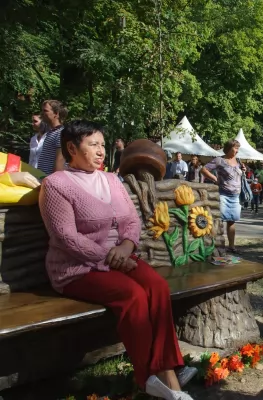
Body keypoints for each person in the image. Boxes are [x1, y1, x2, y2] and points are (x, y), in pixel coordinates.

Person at [38, 120, 196, 400]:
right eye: (93, 145)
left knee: (157, 287)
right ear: (72, 148)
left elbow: (131, 221)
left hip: (122, 258)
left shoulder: (111, 179)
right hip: (76, 268)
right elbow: (65, 237)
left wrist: (125, 248)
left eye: (102, 144)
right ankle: (149, 378)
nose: (101, 151)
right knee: (133, 295)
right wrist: (110, 257)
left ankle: (166, 374)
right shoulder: (56, 185)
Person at [201, 139, 246, 254]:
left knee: (232, 221)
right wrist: (215, 178)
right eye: (235, 148)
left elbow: (238, 174)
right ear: (229, 148)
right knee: (219, 220)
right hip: (223, 194)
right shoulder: (219, 160)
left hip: (235, 196)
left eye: (237, 149)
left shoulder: (238, 161)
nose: (237, 151)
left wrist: (243, 170)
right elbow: (204, 169)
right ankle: (216, 246)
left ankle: (231, 246)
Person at [37, 100, 68, 176]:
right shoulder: (51, 132)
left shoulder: (61, 133)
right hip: (44, 179)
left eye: (45, 111)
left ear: (56, 114)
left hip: (51, 182)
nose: (42, 113)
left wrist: (53, 183)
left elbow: (60, 161)